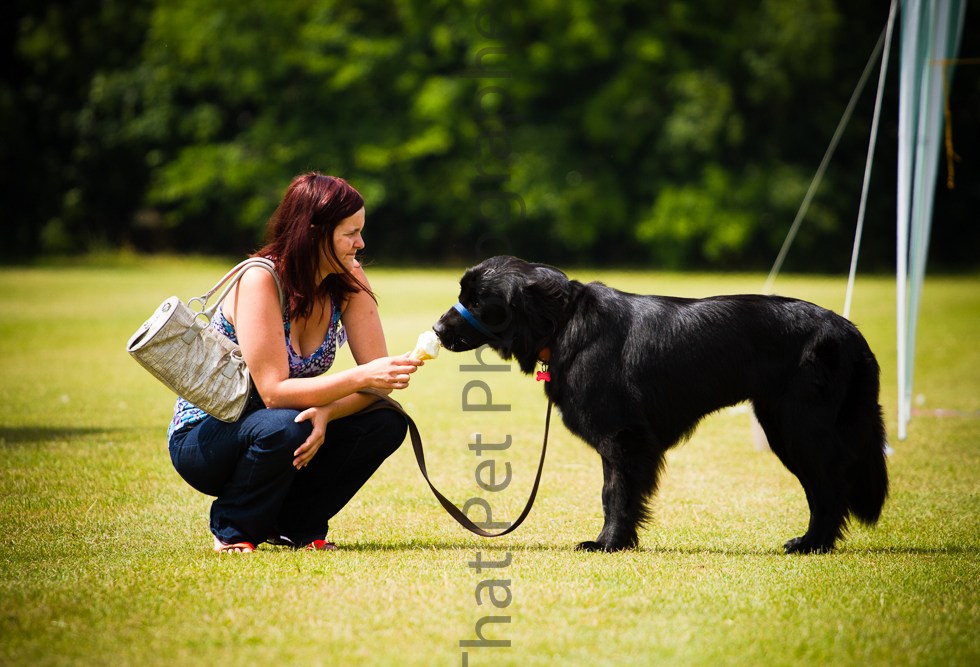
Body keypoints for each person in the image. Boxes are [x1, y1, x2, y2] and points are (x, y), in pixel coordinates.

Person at [167, 172, 421, 553]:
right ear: (316, 232)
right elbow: (273, 392)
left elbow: (378, 385)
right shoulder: (260, 279)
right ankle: (234, 529)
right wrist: (361, 376)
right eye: (350, 233)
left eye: (361, 231)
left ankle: (296, 526)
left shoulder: (349, 277)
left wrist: (327, 412)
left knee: (386, 420)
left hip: (284, 426)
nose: (361, 243)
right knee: (286, 425)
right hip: (207, 438)